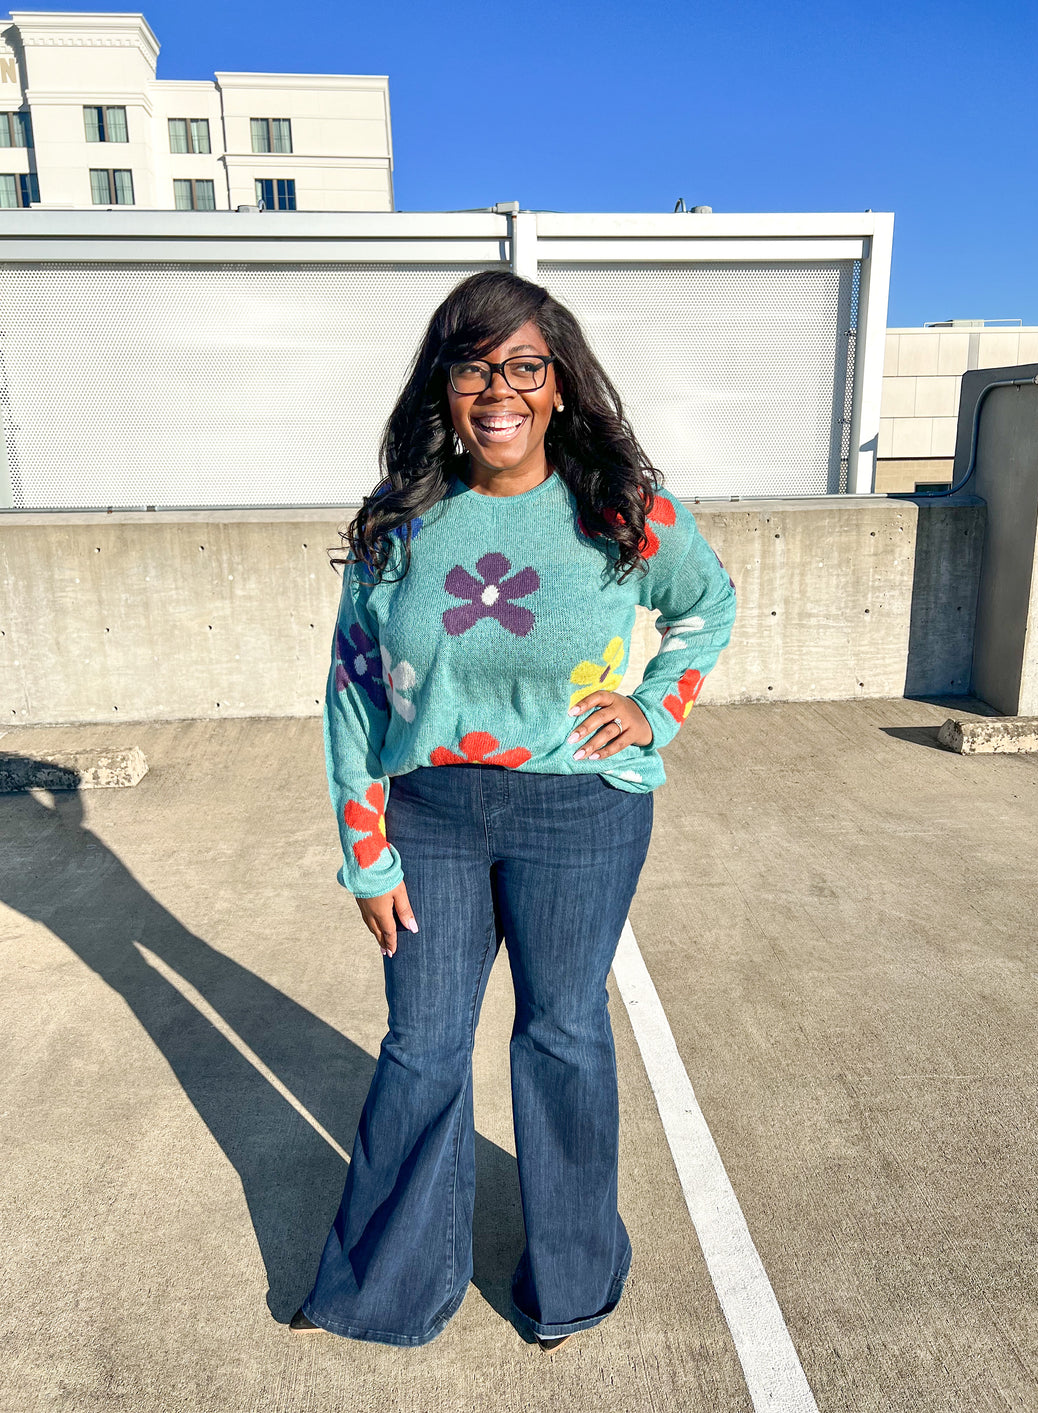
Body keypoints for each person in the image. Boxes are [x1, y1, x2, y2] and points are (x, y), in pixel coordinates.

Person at [290, 269, 737, 1350]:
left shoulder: (623, 512)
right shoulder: (399, 526)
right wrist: (366, 855)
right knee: (423, 1049)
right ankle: (391, 1288)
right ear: (442, 386)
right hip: (430, 819)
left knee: (562, 1036)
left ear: (560, 384)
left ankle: (569, 1282)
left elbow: (705, 608)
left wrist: (652, 708)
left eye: (524, 366)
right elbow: (351, 690)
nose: (501, 390)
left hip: (578, 815)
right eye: (475, 366)